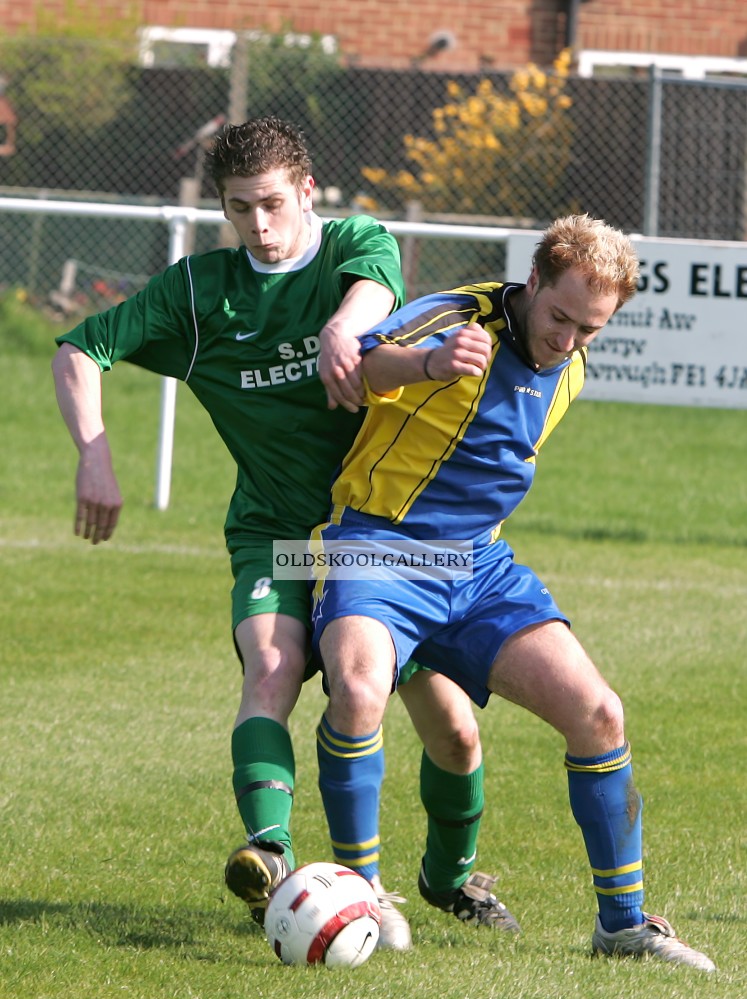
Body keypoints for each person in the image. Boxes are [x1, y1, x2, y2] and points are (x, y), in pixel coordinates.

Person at [51, 116, 509, 952]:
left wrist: (341, 328)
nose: (258, 228)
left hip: (377, 539)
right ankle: (273, 857)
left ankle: (448, 880)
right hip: (275, 534)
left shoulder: (351, 248)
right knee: (271, 664)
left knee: (454, 731)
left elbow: (374, 286)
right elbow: (81, 350)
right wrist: (94, 456)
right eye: (238, 210)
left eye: (270, 204)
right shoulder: (201, 294)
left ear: (305, 191)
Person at [309, 213, 716, 971]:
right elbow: (354, 372)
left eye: (589, 328)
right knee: (360, 693)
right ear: (532, 282)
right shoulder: (456, 318)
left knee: (598, 713)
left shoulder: (572, 366)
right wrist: (427, 365)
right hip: (376, 547)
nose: (566, 338)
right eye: (558, 316)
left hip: (477, 568)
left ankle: (621, 928)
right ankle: (359, 901)